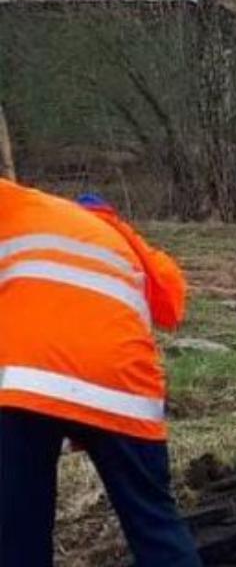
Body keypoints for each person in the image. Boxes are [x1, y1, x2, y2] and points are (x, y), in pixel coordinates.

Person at [0, 180, 201, 566]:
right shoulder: (121, 237)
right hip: (124, 386)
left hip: (28, 381)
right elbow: (172, 302)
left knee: (18, 529)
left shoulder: (21, 207)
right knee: (155, 522)